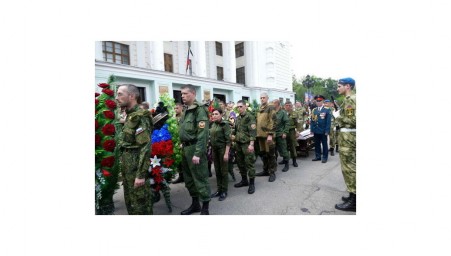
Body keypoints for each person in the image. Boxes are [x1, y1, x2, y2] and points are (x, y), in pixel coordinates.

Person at [115, 84, 153, 215]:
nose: (116, 97)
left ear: (131, 96)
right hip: (128, 170)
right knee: (131, 205)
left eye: (120, 94)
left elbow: (145, 147)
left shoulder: (140, 116)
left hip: (136, 170)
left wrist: (140, 175)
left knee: (140, 207)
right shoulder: (130, 116)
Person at [178, 84, 211, 215]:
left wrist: (198, 153)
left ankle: (205, 207)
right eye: (181, 94)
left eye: (185, 94)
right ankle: (195, 204)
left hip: (195, 149)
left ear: (193, 93)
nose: (182, 96)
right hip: (186, 148)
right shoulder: (186, 109)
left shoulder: (200, 110)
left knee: (200, 178)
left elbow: (203, 134)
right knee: (189, 179)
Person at [333, 78, 356, 212]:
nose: (337, 88)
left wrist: (337, 117)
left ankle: (354, 201)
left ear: (348, 86)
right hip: (347, 138)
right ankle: (352, 196)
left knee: (349, 169)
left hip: (349, 139)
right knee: (349, 168)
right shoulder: (349, 100)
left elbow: (352, 120)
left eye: (339, 86)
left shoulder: (351, 100)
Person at [232, 100, 257, 194]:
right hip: (238, 144)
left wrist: (251, 144)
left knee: (249, 163)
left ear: (245, 107)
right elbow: (235, 130)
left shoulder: (250, 117)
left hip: (247, 144)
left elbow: (253, 132)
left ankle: (252, 183)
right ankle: (244, 180)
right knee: (240, 163)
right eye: (238, 107)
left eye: (241, 107)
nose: (239, 108)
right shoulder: (238, 118)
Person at [209, 108, 231, 201]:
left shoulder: (225, 125)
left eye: (216, 114)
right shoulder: (213, 124)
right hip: (215, 150)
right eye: (213, 114)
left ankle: (224, 191)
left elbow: (228, 141)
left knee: (224, 171)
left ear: (221, 115)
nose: (214, 115)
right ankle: (219, 189)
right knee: (217, 170)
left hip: (222, 150)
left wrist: (226, 153)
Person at [255, 92, 277, 182]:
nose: (262, 99)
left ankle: (272, 172)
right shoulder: (259, 108)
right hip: (260, 135)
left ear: (267, 98)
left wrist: (270, 134)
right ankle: (265, 170)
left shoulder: (270, 107)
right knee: (264, 154)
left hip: (268, 135)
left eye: (264, 97)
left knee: (271, 154)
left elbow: (273, 121)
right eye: (261, 98)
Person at [310, 95, 331, 163]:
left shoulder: (327, 110)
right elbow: (312, 121)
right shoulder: (314, 110)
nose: (318, 102)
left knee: (324, 144)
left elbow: (328, 122)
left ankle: (325, 157)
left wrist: (327, 131)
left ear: (322, 101)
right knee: (317, 144)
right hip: (316, 130)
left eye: (320, 101)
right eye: (317, 101)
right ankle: (318, 156)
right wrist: (311, 130)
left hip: (323, 130)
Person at [272, 99, 290, 172]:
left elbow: (287, 123)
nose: (272, 104)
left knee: (283, 150)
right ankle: (274, 164)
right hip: (273, 134)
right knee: (274, 150)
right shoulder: (272, 112)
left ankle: (286, 164)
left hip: (280, 134)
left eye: (274, 103)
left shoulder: (282, 112)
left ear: (277, 104)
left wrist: (285, 132)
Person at [284, 100, 302, 167]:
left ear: (291, 106)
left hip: (291, 131)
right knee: (284, 146)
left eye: (289, 105)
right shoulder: (283, 113)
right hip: (284, 132)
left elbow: (298, 123)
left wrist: (297, 132)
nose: (288, 107)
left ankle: (294, 161)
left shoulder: (294, 113)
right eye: (286, 105)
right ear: (284, 106)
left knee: (292, 146)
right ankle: (285, 160)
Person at [172, 102, 185, 184]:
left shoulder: (184, 116)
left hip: (183, 140)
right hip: (176, 140)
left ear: (181, 108)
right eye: (174, 108)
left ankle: (186, 176)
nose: (175, 110)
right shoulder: (173, 117)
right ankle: (181, 176)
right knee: (178, 160)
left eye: (177, 108)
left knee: (184, 160)